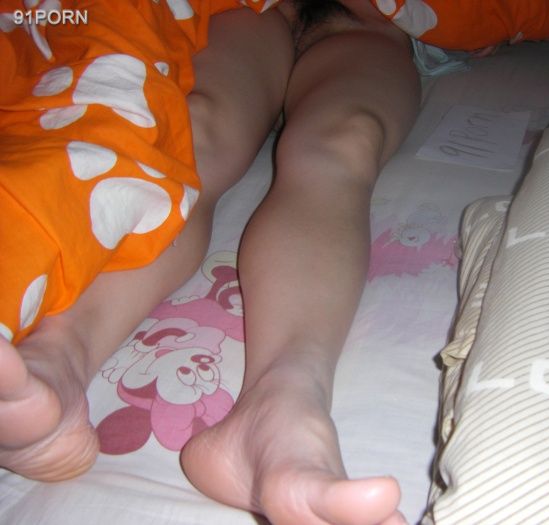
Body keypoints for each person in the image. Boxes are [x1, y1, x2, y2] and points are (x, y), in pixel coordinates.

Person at [1, 1, 419, 523]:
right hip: (253, 10)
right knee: (196, 131)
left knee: (344, 141)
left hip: (370, 22)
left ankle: (280, 409)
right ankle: (59, 356)